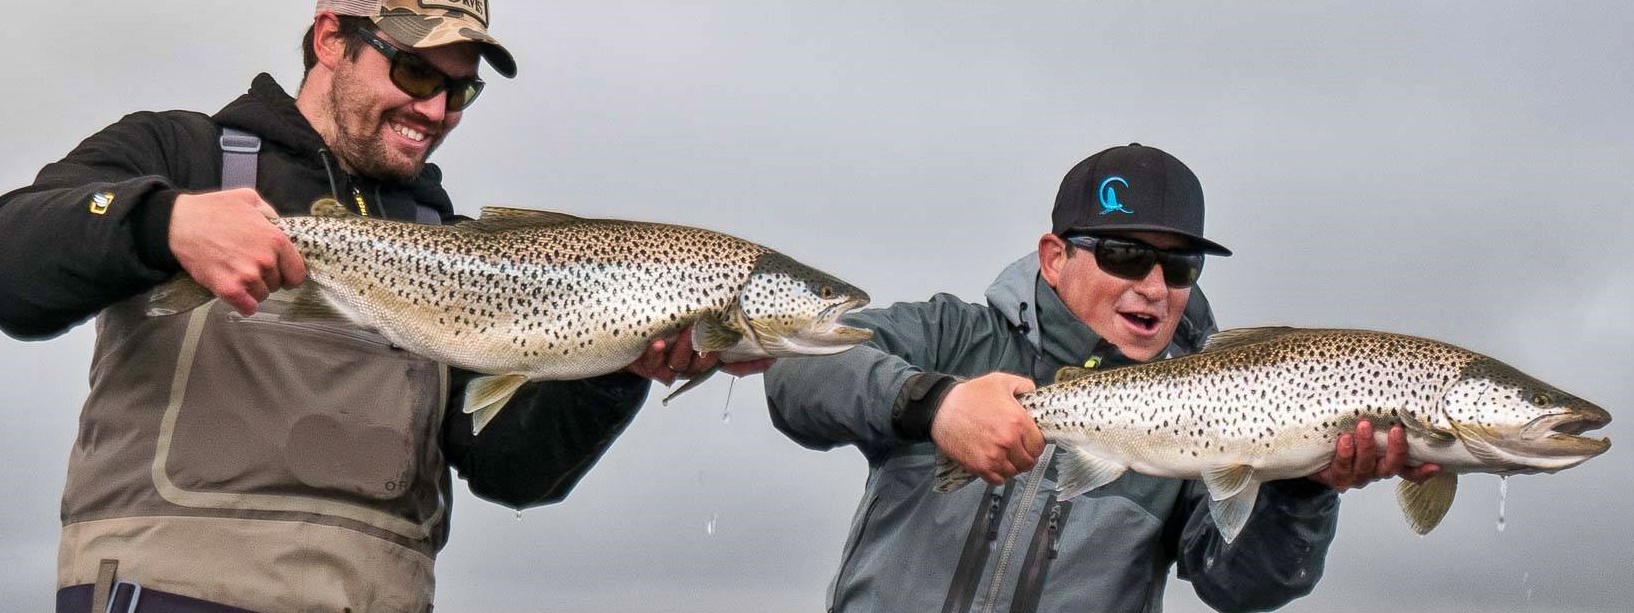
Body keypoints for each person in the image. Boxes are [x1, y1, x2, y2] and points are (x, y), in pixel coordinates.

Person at [0, 2, 766, 611]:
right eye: (414, 71)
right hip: (172, 595)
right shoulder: (180, 156)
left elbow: (513, 472)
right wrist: (163, 221)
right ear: (331, 37)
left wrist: (615, 366)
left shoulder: (455, 249)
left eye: (458, 89)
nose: (435, 110)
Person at [764, 143, 1439, 612]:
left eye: (1180, 268)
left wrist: (1303, 489)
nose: (1153, 286)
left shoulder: (1215, 405)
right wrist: (936, 404)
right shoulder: (950, 334)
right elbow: (796, 371)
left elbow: (1245, 587)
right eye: (1124, 254)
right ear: (1055, 257)